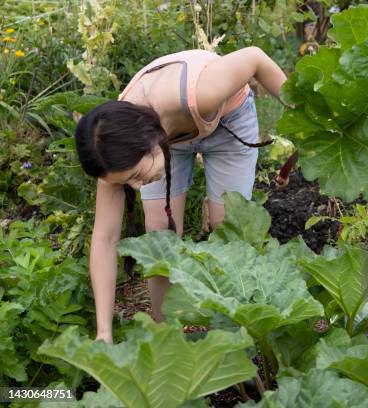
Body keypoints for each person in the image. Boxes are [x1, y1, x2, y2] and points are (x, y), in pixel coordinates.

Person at [75, 47, 287, 343]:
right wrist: (103, 332)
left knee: (227, 228)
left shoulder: (204, 92)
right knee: (159, 235)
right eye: (129, 182)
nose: (136, 186)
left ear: (147, 143)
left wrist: (300, 111)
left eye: (136, 176)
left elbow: (254, 57)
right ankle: (166, 337)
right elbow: (105, 238)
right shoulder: (110, 151)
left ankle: (233, 341)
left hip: (224, 119)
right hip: (165, 132)